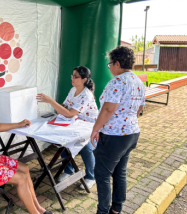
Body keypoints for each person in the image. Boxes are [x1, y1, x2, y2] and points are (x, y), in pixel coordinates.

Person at [90, 46, 145, 214]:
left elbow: (108, 110)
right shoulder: (138, 81)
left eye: (110, 64)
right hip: (131, 133)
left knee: (102, 174)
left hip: (114, 136)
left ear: (118, 63)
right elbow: (139, 109)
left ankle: (103, 211)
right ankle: (116, 208)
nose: (110, 67)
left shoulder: (117, 82)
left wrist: (95, 129)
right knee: (120, 171)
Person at [36, 66, 98, 189]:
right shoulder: (73, 90)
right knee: (63, 141)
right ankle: (69, 170)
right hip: (74, 122)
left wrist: (50, 101)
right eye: (72, 75)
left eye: (76, 76)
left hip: (89, 125)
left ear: (84, 79)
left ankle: (91, 176)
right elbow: (65, 107)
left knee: (87, 148)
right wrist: (60, 111)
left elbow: (69, 113)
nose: (72, 78)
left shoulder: (86, 95)